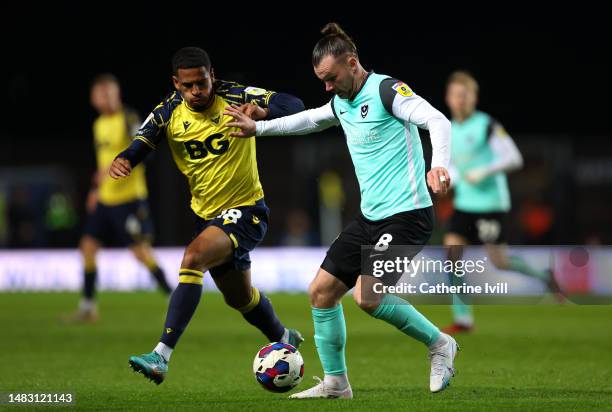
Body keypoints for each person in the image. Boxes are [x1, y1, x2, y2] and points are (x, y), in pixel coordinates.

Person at [226, 23, 458, 398]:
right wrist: (259, 127)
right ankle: (336, 383)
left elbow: (438, 120)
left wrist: (440, 164)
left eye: (331, 78)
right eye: (322, 80)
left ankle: (439, 344)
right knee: (321, 292)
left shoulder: (386, 90)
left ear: (352, 63)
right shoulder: (341, 102)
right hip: (370, 218)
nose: (328, 87)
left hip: (408, 215)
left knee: (369, 296)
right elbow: (309, 119)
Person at [110, 47, 305, 384]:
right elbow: (143, 140)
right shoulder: (168, 111)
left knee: (193, 257)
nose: (197, 91)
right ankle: (284, 337)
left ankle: (160, 356)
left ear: (212, 74)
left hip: (246, 210)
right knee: (239, 298)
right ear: (177, 83)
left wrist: (262, 110)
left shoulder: (235, 95)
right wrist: (126, 158)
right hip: (208, 216)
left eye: (202, 82)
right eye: (188, 86)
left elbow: (295, 105)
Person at [442, 71, 560, 334]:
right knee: (451, 256)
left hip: (490, 205)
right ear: (448, 98)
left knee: (500, 261)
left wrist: (484, 171)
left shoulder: (487, 125)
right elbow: (454, 167)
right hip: (464, 205)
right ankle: (463, 319)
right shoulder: (448, 129)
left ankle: (545, 277)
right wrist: (448, 180)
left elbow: (514, 159)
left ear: (474, 98)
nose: (460, 100)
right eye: (455, 95)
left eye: (465, 95)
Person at [65, 74, 171, 323]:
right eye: (101, 94)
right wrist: (95, 190)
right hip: (105, 199)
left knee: (139, 252)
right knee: (88, 248)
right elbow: (102, 164)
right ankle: (88, 307)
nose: (105, 98)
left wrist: (125, 163)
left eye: (109, 93)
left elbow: (147, 148)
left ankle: (173, 296)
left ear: (117, 94)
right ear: (94, 98)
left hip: (129, 198)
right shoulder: (99, 124)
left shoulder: (129, 118)